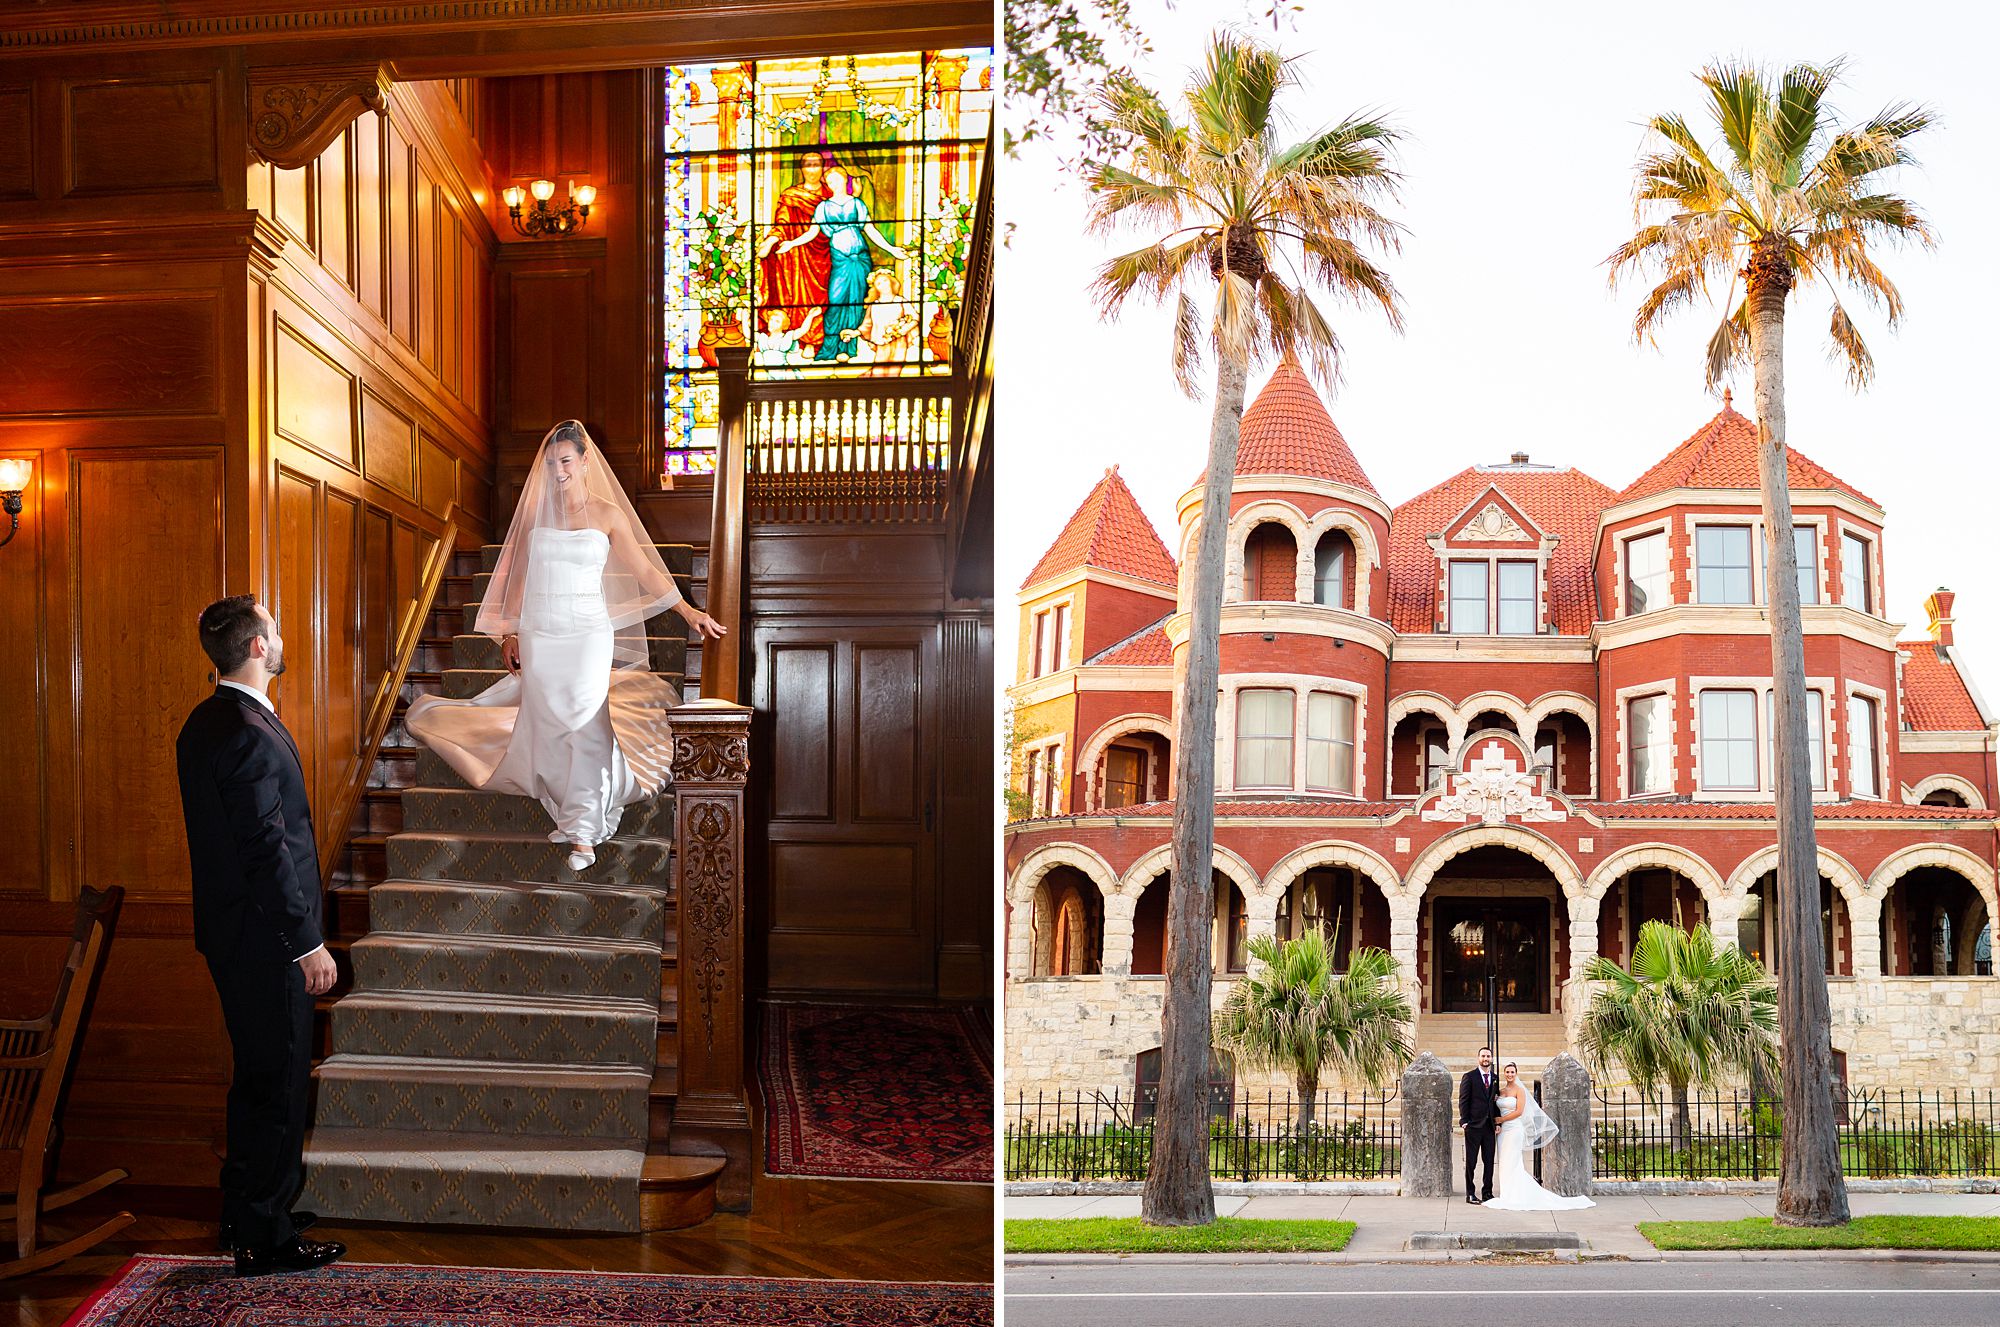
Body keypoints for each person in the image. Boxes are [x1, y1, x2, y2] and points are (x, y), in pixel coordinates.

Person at [406, 420, 725, 869]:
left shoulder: (608, 514)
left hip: (588, 634)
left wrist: (689, 613)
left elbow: (646, 572)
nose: (558, 470)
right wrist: (510, 631)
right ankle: (568, 801)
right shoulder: (538, 512)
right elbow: (519, 576)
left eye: (566, 461)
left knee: (586, 722)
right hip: (540, 633)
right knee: (550, 723)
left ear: (585, 461)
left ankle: (584, 832)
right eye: (552, 462)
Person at [176, 595, 346, 1277]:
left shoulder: (206, 721)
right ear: (255, 648)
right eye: (272, 629)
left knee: (257, 1077)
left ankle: (247, 1208)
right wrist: (306, 941)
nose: (280, 638)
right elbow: (265, 847)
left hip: (235, 933)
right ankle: (267, 1237)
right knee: (276, 1082)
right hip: (268, 938)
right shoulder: (246, 730)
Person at [774, 165, 909, 362]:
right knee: (835, 300)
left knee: (855, 301)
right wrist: (791, 244)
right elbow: (812, 232)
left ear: (844, 180)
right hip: (840, 259)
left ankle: (848, 347)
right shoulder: (824, 207)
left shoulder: (856, 204)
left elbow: (870, 230)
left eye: (835, 180)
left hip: (860, 258)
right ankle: (830, 346)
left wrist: (892, 249)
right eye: (829, 182)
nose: (832, 184)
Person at [1483, 1061, 1595, 1210]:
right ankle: (1507, 1193)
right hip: (1503, 1132)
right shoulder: (1501, 1092)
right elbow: (1496, 1108)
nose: (1510, 1075)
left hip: (1515, 1129)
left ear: (1516, 1073)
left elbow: (1519, 1112)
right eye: (1507, 1072)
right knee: (1504, 1162)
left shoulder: (1519, 1091)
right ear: (1504, 1074)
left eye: (1512, 1072)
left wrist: (1501, 1120)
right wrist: (1498, 1120)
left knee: (1514, 1161)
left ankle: (1516, 1195)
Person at [756, 151, 833, 353]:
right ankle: (801, 339)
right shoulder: (790, 195)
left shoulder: (830, 195)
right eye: (808, 165)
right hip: (795, 255)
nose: (812, 170)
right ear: (802, 168)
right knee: (797, 295)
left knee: (819, 296)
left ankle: (814, 340)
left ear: (822, 168)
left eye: (816, 165)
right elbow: (781, 222)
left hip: (823, 253)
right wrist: (771, 240)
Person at [1458, 1046, 1500, 1204]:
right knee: (1471, 1161)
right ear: (1478, 1058)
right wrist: (1465, 1121)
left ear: (1491, 1059)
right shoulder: (1469, 1077)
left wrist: (1497, 1120)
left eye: (1488, 1056)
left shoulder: (1495, 1078)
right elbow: (1463, 1100)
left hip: (1489, 1127)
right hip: (1473, 1126)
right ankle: (1470, 1193)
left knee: (1489, 1161)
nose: (1485, 1059)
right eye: (1483, 1056)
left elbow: (1495, 1102)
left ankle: (1487, 1192)